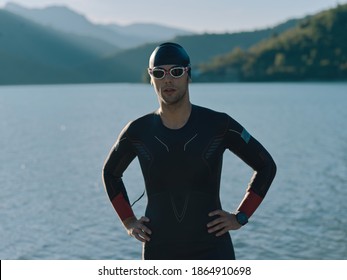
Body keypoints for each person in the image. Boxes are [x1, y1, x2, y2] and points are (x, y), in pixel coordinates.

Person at [102, 42, 276, 260]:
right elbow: (110, 174)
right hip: (159, 250)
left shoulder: (219, 125)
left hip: (213, 250)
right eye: (159, 73)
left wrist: (241, 216)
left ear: (188, 75)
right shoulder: (138, 131)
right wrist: (128, 221)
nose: (168, 79)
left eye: (176, 71)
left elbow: (266, 166)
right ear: (151, 78)